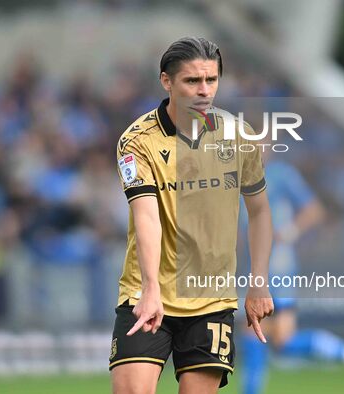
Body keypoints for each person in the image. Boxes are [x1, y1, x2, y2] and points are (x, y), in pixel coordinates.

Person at [109, 37, 274, 394]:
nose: (204, 91)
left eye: (211, 80)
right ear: (166, 81)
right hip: (147, 293)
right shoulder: (137, 141)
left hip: (211, 299)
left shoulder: (237, 136)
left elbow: (259, 211)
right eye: (192, 81)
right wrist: (151, 287)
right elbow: (146, 217)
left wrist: (258, 280)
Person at [240, 158, 344, 394]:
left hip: (279, 268)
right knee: (266, 337)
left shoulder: (280, 174)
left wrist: (288, 232)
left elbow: (314, 210)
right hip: (255, 268)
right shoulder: (235, 173)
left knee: (265, 336)